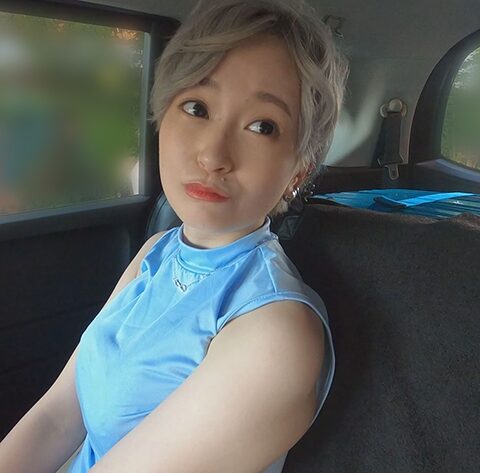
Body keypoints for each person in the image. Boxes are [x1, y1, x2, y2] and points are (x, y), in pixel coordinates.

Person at [0, 1, 348, 472]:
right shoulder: (158, 252)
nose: (213, 155)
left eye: (262, 126)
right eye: (197, 107)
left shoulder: (275, 334)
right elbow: (57, 419)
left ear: (298, 171)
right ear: (163, 117)